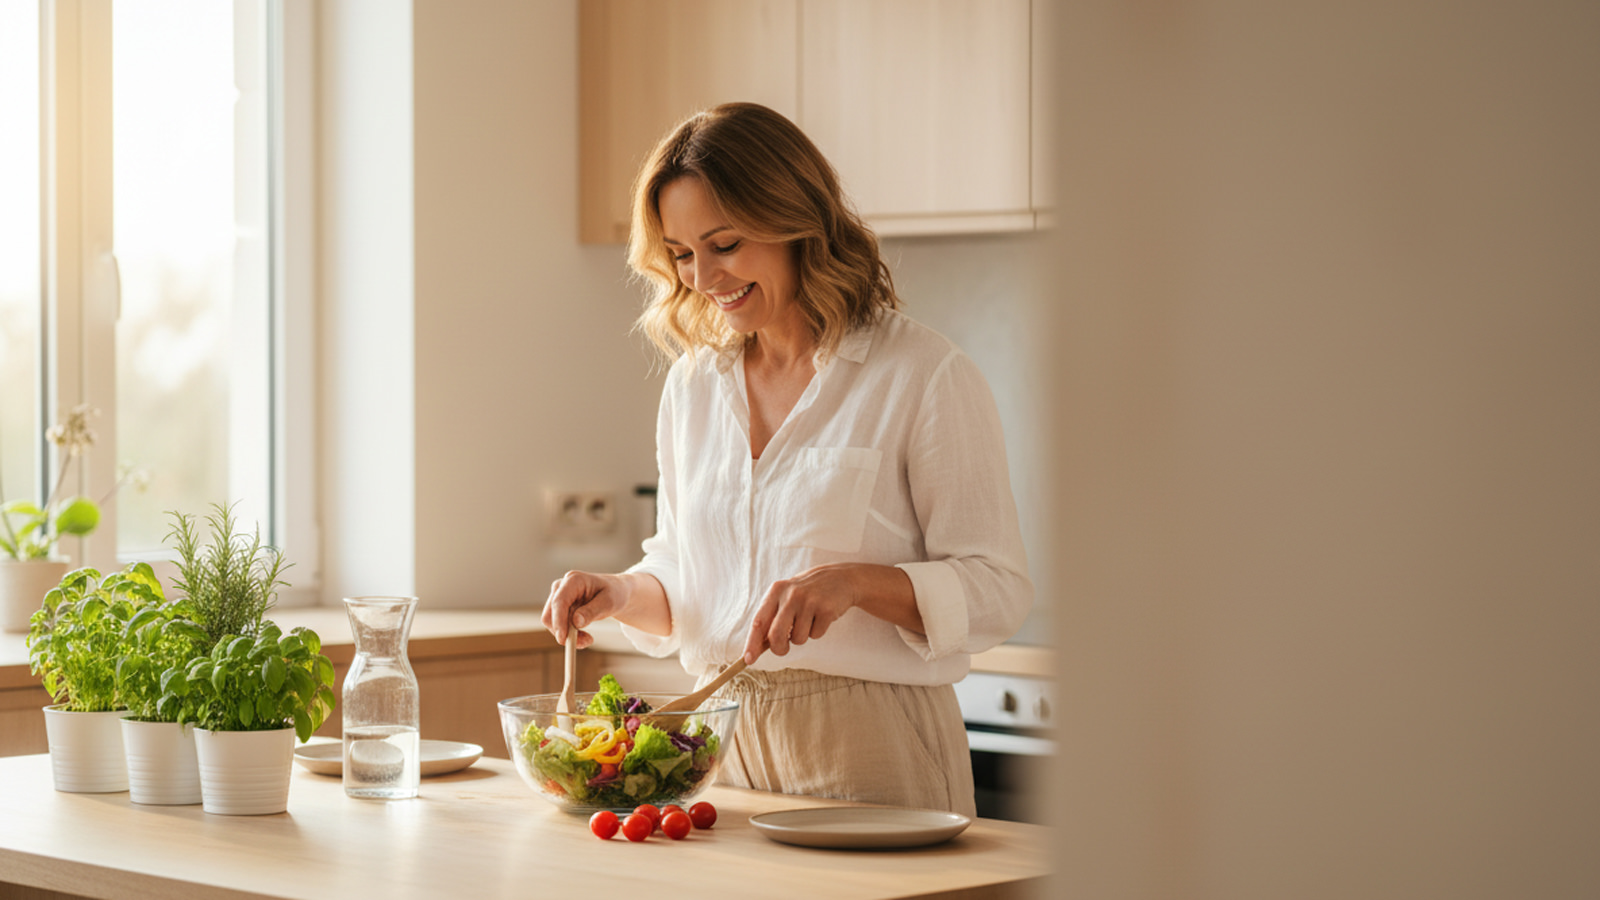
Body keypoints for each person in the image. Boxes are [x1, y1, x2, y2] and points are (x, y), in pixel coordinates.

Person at [542, 102, 1032, 816]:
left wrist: (857, 584)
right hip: (718, 751)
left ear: (795, 222)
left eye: (726, 244)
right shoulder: (694, 387)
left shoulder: (921, 375)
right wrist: (620, 593)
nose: (702, 277)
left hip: (869, 743)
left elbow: (998, 590)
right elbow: (690, 574)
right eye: (681, 253)